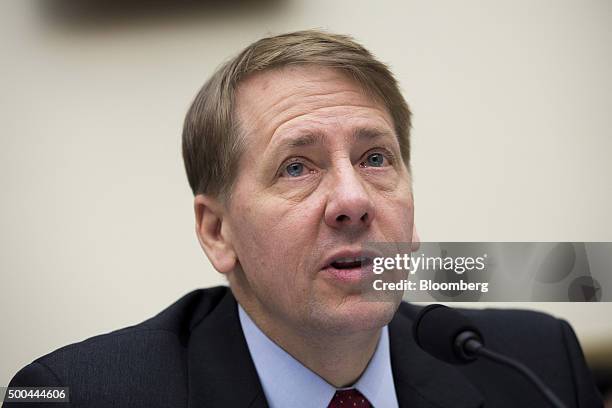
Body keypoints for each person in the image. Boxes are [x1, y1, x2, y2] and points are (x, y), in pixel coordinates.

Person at [4, 30, 602, 408]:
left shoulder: (536, 365)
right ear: (218, 233)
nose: (353, 199)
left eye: (375, 159)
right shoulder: (83, 395)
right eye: (297, 167)